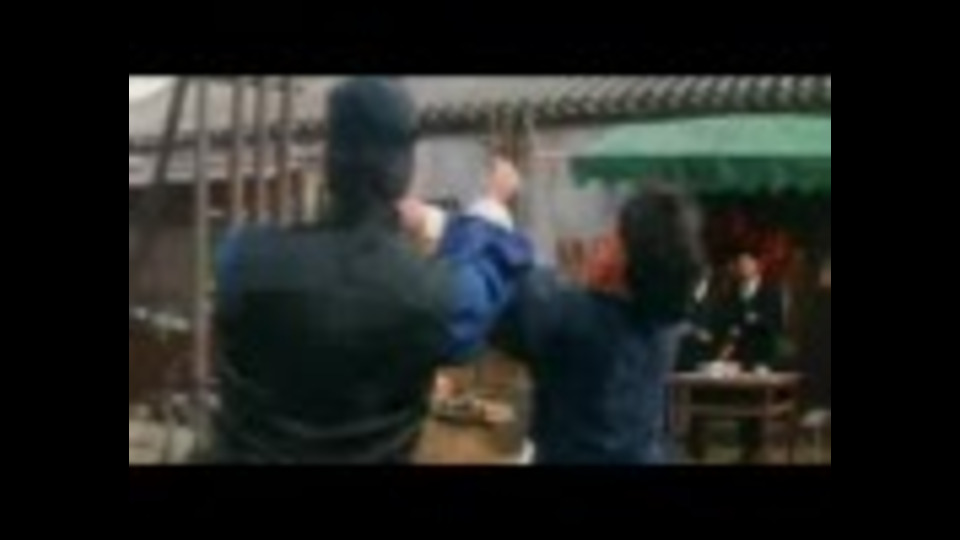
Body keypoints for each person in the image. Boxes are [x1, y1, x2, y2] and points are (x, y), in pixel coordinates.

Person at [209, 78, 533, 464]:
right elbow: (486, 272)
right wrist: (492, 203)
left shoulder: (242, 258)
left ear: (328, 159)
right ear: (404, 169)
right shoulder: (429, 295)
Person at [407, 181, 707, 464]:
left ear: (622, 263)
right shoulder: (662, 326)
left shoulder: (577, 320)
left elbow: (498, 278)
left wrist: (484, 207)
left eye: (611, 239)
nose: (597, 243)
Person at [687, 250, 786, 463]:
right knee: (724, 394)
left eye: (747, 263)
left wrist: (754, 319)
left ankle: (753, 450)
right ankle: (704, 445)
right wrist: (724, 347)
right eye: (740, 264)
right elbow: (729, 324)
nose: (742, 267)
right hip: (738, 355)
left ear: (757, 265)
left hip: (761, 354)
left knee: (755, 399)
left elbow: (777, 324)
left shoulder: (771, 290)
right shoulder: (733, 292)